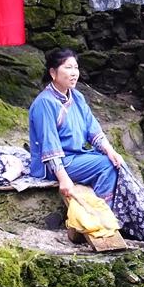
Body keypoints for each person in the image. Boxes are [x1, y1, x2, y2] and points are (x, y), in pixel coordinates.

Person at [28, 48, 124, 203]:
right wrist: (64, 179)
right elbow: (49, 145)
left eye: (76, 68)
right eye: (68, 67)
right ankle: (104, 212)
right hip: (54, 165)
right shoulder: (45, 103)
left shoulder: (77, 97)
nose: (74, 73)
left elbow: (93, 129)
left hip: (76, 157)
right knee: (106, 166)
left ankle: (116, 212)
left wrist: (110, 151)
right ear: (53, 73)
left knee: (116, 161)